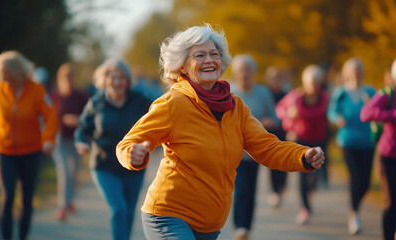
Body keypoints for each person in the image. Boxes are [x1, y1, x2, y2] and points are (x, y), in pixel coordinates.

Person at [116, 24, 325, 240]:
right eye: (199, 55)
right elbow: (127, 143)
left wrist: (302, 156)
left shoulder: (236, 107)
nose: (208, 60)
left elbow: (266, 147)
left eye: (214, 54)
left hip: (210, 224)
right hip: (168, 215)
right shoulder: (173, 103)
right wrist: (133, 154)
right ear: (183, 66)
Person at [74, 59, 151, 240]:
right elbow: (83, 128)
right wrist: (81, 142)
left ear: (127, 80)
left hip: (134, 164)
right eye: (113, 78)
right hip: (104, 165)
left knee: (129, 211)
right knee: (118, 209)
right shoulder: (97, 102)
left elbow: (157, 120)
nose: (117, 82)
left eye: (122, 78)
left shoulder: (140, 100)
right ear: (105, 79)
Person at [0, 50, 58, 240]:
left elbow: (50, 116)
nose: (4, 77)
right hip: (3, 151)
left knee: (26, 199)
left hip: (31, 151)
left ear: (18, 71)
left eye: (7, 72)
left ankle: (22, 237)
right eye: (1, 73)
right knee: (8, 195)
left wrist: (48, 140)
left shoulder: (36, 90)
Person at [361, 56, 396, 240]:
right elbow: (366, 114)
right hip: (389, 157)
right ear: (395, 77)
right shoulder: (388, 94)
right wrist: (394, 113)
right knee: (394, 202)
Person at [230, 54, 279, 240]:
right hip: (236, 150)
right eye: (241, 70)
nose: (245, 74)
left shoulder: (263, 93)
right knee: (241, 188)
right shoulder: (230, 92)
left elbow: (275, 117)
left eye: (248, 70)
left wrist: (268, 121)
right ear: (236, 73)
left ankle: (247, 227)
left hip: (257, 151)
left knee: (251, 190)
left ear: (254, 73)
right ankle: (240, 227)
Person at [327, 57, 376, 235]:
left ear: (362, 72)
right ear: (348, 73)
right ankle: (354, 214)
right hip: (348, 141)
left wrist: (371, 105)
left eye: (359, 70)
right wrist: (337, 118)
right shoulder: (341, 92)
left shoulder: (370, 90)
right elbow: (331, 111)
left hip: (367, 141)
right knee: (356, 178)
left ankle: (355, 208)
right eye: (353, 70)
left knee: (366, 183)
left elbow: (378, 110)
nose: (356, 74)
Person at [276, 64, 329, 225]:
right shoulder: (297, 96)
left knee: (316, 176)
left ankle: (310, 191)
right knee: (303, 176)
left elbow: (325, 113)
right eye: (310, 81)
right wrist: (290, 117)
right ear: (305, 82)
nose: (313, 84)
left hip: (319, 139)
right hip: (302, 140)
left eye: (316, 81)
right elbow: (280, 109)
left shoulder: (324, 97)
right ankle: (305, 209)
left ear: (319, 83)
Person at [51, 63, 88, 221]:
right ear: (60, 78)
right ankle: (62, 207)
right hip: (59, 140)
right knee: (64, 172)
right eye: (65, 76)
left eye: (71, 76)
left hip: (77, 139)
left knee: (74, 173)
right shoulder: (55, 96)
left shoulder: (81, 96)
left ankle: (70, 200)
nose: (68, 79)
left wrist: (77, 120)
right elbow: (50, 117)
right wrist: (62, 120)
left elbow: (88, 116)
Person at [264, 66, 288, 208]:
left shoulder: (286, 94)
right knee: (272, 163)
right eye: (273, 78)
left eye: (278, 78)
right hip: (269, 133)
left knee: (283, 162)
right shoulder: (266, 94)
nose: (275, 81)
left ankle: (281, 188)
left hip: (283, 133)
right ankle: (275, 191)